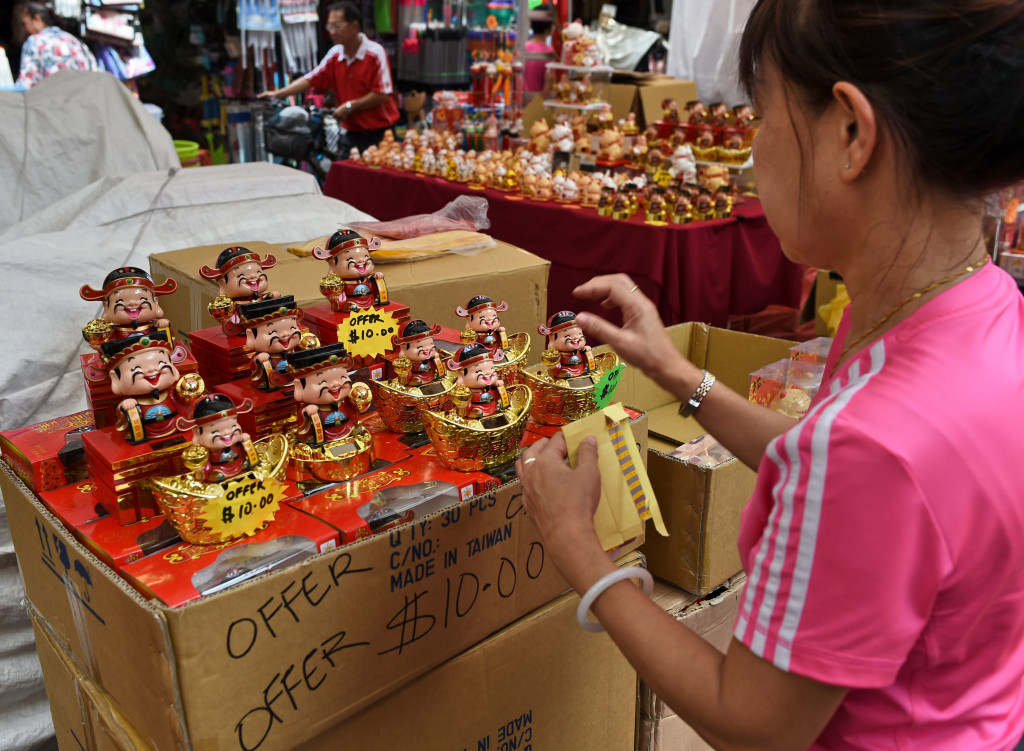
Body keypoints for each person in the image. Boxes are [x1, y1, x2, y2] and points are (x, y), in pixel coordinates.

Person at [516, 1, 1024, 749]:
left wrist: (579, 552)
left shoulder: (872, 446)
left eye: (762, 115)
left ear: (849, 133)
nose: (751, 150)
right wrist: (674, 370)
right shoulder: (975, 303)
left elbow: (753, 720)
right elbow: (827, 470)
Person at [258, 1, 398, 154]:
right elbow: (311, 78)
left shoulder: (375, 53)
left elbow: (382, 94)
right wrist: (278, 94)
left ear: (354, 26)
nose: (332, 31)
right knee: (340, 175)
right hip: (352, 134)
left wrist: (350, 106)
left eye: (337, 26)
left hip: (380, 134)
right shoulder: (335, 54)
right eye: (329, 26)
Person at [14, 1, 97, 89]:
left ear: (37, 18)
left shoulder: (34, 41)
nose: (25, 29)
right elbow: (95, 74)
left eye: (24, 24)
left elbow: (26, 83)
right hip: (84, 99)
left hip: (54, 100)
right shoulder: (75, 41)